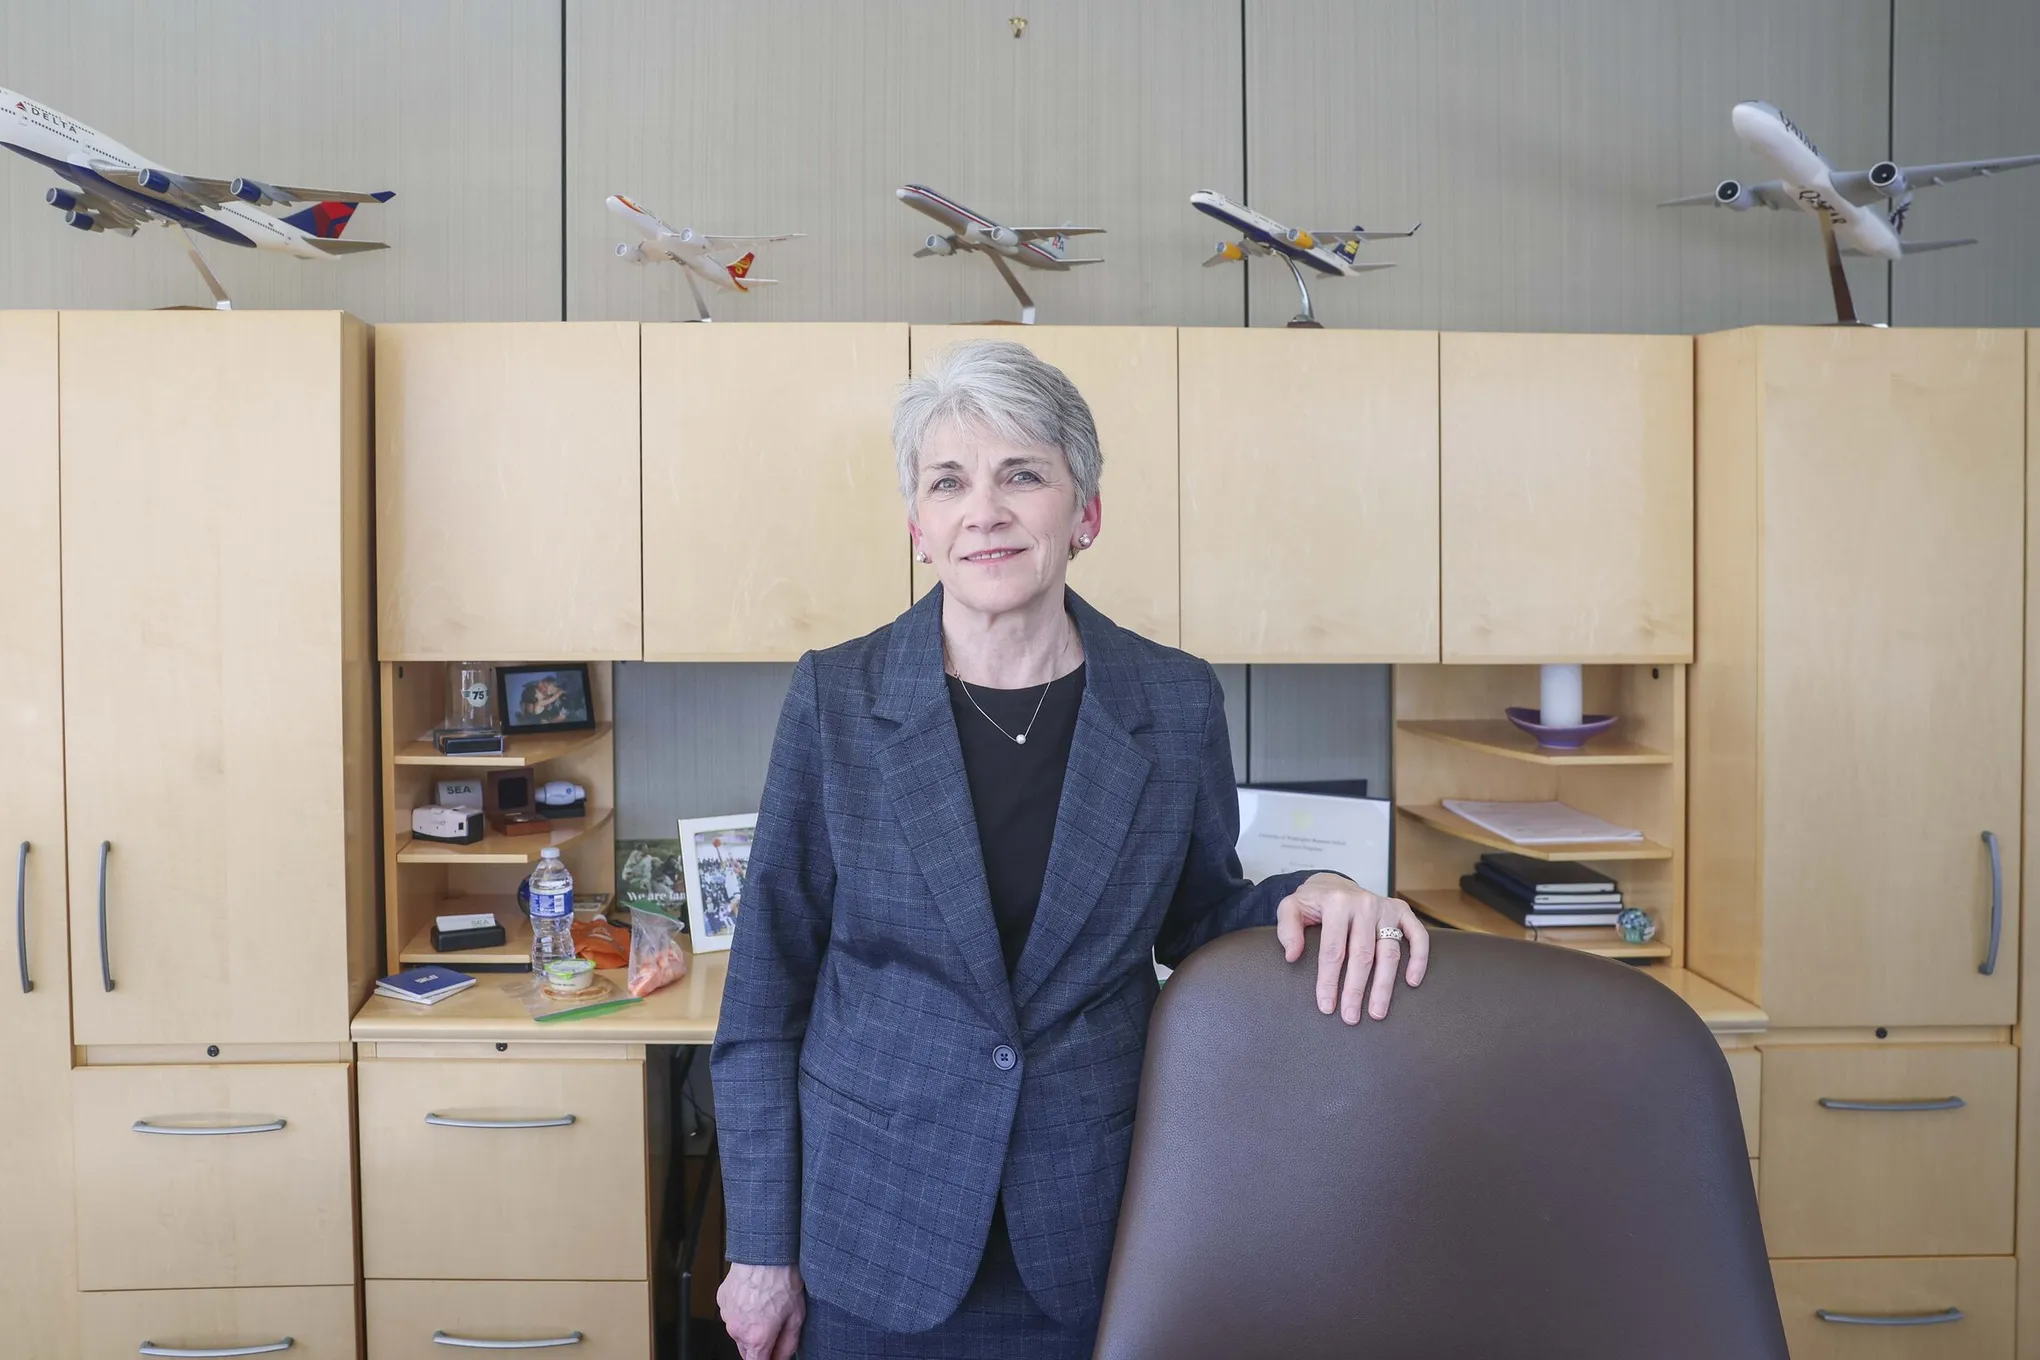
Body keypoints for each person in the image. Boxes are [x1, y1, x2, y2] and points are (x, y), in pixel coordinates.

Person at [711, 341, 1430, 1359]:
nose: (985, 509)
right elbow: (763, 994)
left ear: (1084, 512)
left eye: (1023, 474)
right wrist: (760, 1249)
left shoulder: (1173, 700)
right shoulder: (836, 697)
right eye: (949, 481)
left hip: (1087, 1227)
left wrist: (1311, 890)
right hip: (873, 1222)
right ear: (919, 526)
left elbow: (1194, 914)